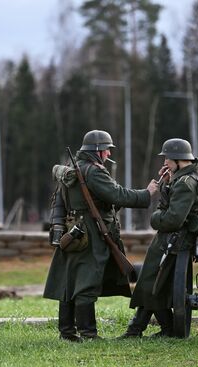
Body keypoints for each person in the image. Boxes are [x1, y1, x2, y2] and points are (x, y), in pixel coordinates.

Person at [43, 129, 159, 342]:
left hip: (74, 232)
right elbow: (117, 194)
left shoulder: (71, 169)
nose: (108, 155)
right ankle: (88, 334)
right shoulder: (93, 171)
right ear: (97, 150)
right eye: (106, 150)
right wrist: (147, 193)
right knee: (87, 282)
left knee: (71, 282)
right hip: (92, 234)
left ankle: (67, 332)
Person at [119, 138, 198, 338]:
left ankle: (141, 330)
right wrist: (166, 185)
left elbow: (173, 219)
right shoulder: (188, 175)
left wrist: (155, 217)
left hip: (174, 241)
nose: (165, 162)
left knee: (151, 283)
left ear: (178, 159)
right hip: (172, 240)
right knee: (152, 284)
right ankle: (146, 330)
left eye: (167, 158)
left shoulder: (186, 183)